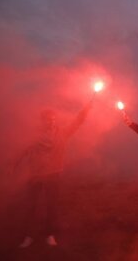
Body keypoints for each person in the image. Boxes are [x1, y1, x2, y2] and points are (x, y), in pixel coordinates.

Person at [15, 102, 92, 248]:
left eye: (53, 119)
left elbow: (78, 122)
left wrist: (88, 107)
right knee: (31, 206)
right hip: (35, 175)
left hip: (53, 175)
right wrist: (13, 165)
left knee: (52, 206)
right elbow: (22, 150)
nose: (51, 121)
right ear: (42, 121)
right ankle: (28, 236)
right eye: (47, 119)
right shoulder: (34, 136)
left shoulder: (62, 133)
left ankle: (50, 235)